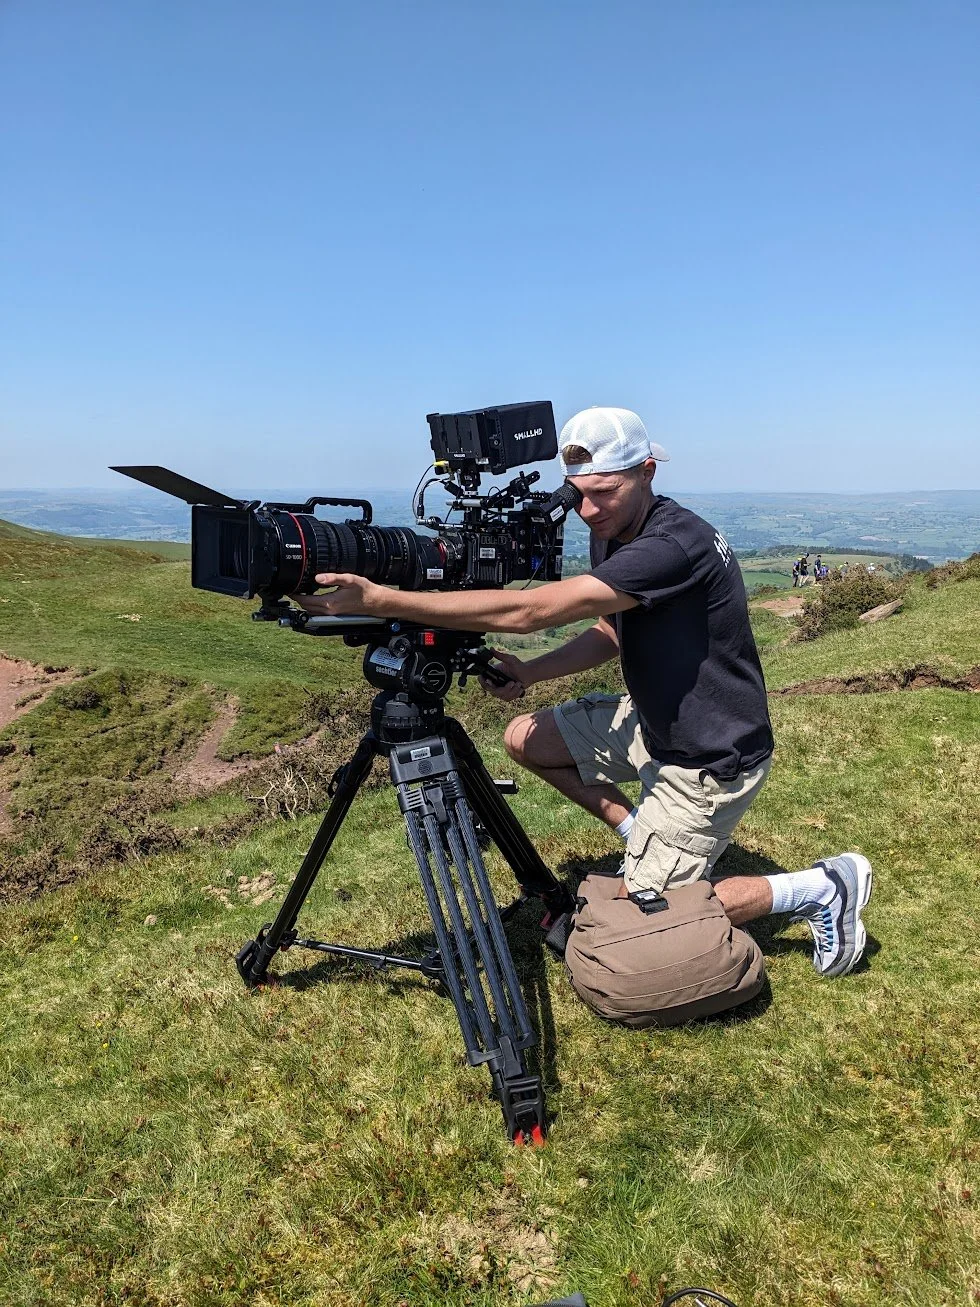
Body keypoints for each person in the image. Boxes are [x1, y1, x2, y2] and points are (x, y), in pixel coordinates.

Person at [293, 406, 873, 985]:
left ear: (648, 471)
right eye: (576, 495)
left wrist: (381, 600)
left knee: (637, 925)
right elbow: (610, 630)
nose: (588, 510)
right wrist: (531, 673)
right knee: (525, 739)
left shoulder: (673, 544)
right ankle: (642, 833)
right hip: (653, 723)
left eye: (604, 492)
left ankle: (819, 888)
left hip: (708, 757)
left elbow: (529, 610)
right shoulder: (617, 528)